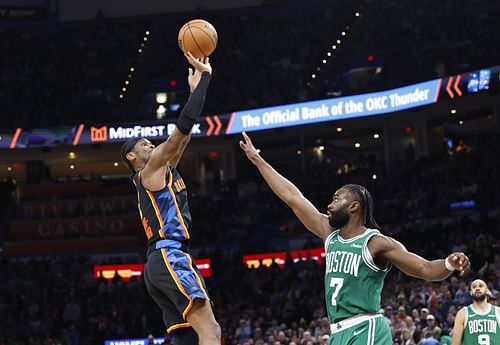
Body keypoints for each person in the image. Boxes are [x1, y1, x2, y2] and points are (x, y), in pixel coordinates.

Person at [238, 132, 470, 345]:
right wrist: (258, 160)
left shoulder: (375, 243)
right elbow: (292, 197)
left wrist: (449, 263)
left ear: (354, 206)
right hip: (337, 332)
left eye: (336, 199)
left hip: (365, 327)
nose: (329, 204)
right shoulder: (329, 234)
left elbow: (424, 268)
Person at [121, 52, 220, 345]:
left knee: (189, 339)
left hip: (158, 261)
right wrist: (205, 79)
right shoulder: (149, 169)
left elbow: (184, 137)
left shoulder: (163, 169)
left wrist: (193, 93)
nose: (150, 143)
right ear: (132, 156)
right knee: (211, 331)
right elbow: (180, 131)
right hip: (169, 255)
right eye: (143, 143)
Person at [451, 279, 500, 345]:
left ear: (487, 291)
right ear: (471, 292)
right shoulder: (463, 313)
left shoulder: (498, 312)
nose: (477, 288)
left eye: (480, 286)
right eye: (474, 287)